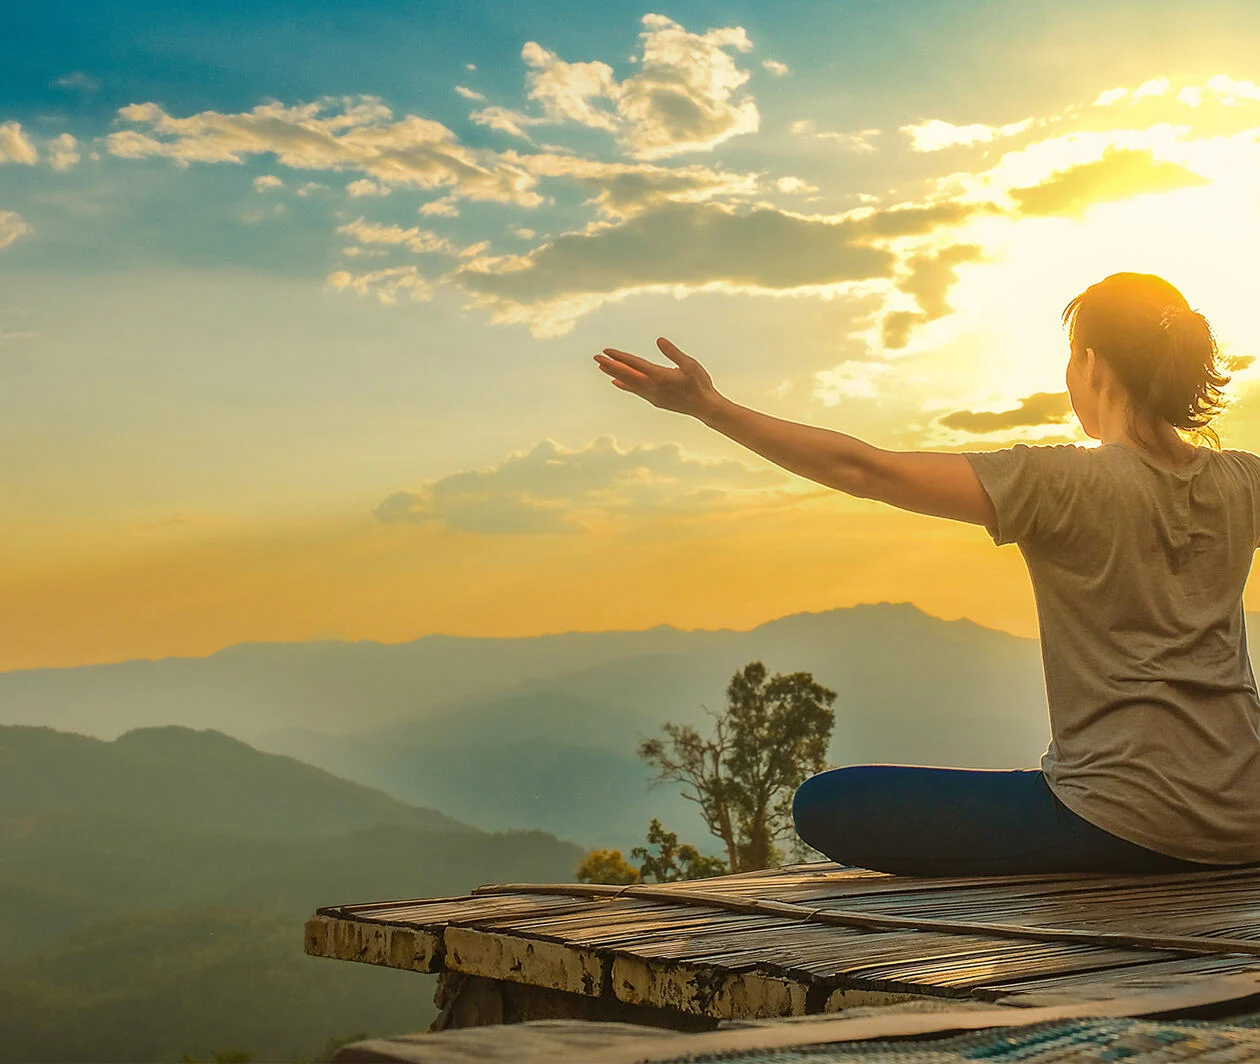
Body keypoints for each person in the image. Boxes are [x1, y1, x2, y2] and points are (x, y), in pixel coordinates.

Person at [594, 272, 1260, 876]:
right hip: (1246, 816)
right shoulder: (1244, 481)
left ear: (1090, 363)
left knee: (826, 805)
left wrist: (712, 408)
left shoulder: (1062, 482)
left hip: (1117, 823)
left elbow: (867, 469)